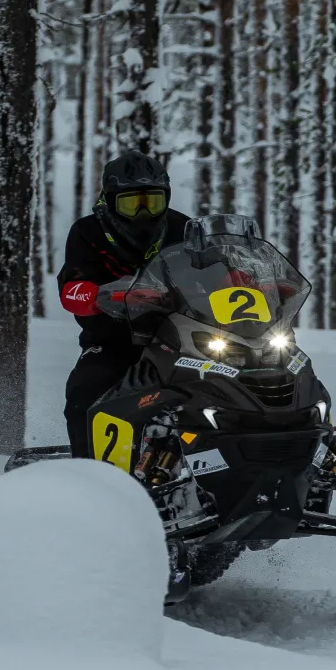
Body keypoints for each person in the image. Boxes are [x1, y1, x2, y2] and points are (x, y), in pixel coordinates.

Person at [58, 151, 190, 455]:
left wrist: (242, 281)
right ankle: (87, 471)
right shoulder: (88, 232)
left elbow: (213, 271)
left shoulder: (183, 229)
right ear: (111, 200)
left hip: (183, 337)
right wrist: (98, 295)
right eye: (133, 203)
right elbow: (71, 287)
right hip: (114, 339)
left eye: (152, 201)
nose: (144, 211)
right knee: (86, 392)